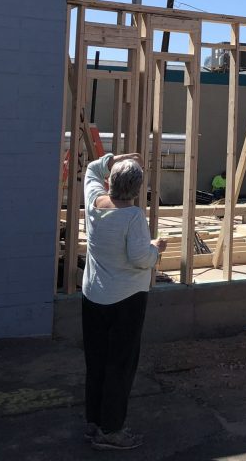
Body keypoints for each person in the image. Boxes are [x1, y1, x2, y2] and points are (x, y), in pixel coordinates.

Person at [81, 152, 166, 451]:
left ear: (110, 182)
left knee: (97, 361)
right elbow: (140, 259)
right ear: (137, 189)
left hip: (93, 297)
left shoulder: (93, 203)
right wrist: (157, 249)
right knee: (120, 364)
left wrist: (116, 158)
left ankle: (94, 422)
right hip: (126, 301)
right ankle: (112, 430)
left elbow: (91, 169)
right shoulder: (133, 217)